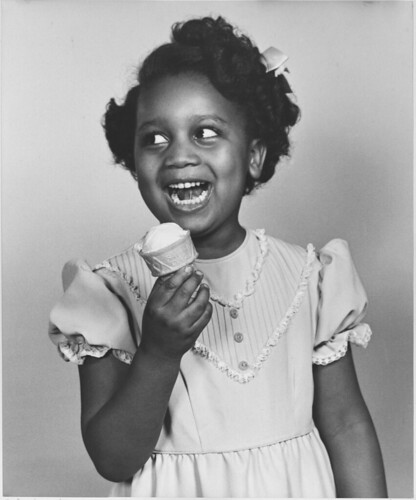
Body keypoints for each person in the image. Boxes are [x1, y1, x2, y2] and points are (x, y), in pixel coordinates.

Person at [48, 16, 387, 498]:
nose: (178, 155)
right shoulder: (110, 289)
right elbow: (112, 457)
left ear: (253, 156)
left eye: (206, 132)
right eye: (155, 138)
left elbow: (348, 427)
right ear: (134, 162)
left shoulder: (310, 278)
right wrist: (160, 353)